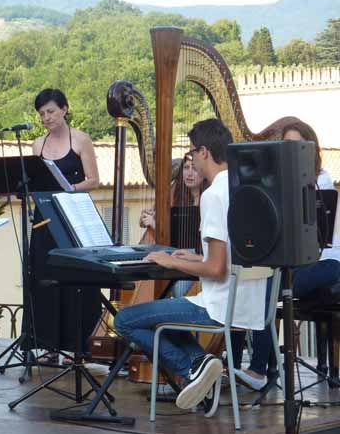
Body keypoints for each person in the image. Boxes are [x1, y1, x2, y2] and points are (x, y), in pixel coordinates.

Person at [114, 118, 268, 417]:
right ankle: (202, 365)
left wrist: (168, 259)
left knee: (126, 320)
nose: (192, 160)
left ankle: (193, 366)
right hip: (246, 304)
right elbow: (227, 258)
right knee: (161, 316)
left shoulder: (213, 196)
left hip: (218, 307)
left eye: (193, 153)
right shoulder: (244, 188)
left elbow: (216, 269)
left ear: (204, 152)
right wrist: (194, 256)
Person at [232, 119, 340, 391]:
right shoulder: (279, 184)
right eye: (287, 146)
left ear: (310, 150)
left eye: (297, 146)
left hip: (329, 261)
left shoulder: (320, 181)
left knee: (266, 288)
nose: (291, 151)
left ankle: (257, 370)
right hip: (296, 261)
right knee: (247, 285)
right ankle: (232, 366)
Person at [23, 88, 100, 362]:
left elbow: (94, 180)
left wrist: (68, 188)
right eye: (42, 113)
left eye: (51, 111)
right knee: (44, 277)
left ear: (65, 109)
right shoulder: (36, 145)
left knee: (74, 278)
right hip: (45, 218)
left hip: (74, 217)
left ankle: (77, 347)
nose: (46, 117)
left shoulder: (81, 139)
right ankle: (47, 346)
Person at [139, 155, 206, 297]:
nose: (189, 173)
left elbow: (189, 237)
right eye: (186, 168)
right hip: (178, 253)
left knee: (177, 289)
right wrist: (146, 217)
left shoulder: (209, 199)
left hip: (199, 256)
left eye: (194, 169)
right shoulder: (175, 193)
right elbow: (143, 222)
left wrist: (156, 225)